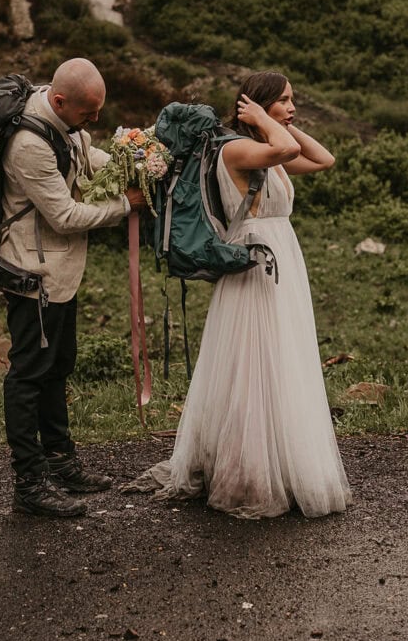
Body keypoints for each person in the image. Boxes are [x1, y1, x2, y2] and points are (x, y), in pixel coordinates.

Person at [124, 71, 352, 518]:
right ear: (258, 105)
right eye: (284, 101)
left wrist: (275, 121)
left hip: (279, 260)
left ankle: (281, 467)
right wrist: (266, 122)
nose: (292, 108)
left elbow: (323, 159)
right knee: (251, 364)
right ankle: (246, 472)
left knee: (277, 362)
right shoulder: (237, 148)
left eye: (293, 100)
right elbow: (284, 149)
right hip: (253, 262)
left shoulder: (268, 147)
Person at [0, 58, 145, 518]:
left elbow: (91, 159)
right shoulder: (28, 145)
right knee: (28, 375)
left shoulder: (64, 121)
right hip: (34, 275)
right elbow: (63, 216)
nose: (95, 120)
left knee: (58, 365)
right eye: (89, 112)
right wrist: (126, 204)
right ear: (61, 101)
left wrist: (140, 163)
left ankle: (61, 463)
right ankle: (30, 483)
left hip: (61, 272)